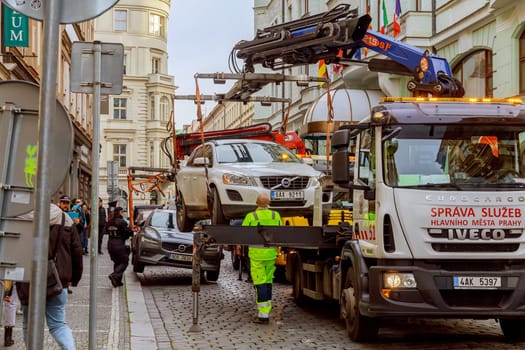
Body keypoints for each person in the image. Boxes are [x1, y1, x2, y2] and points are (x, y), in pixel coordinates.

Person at [17, 203, 83, 350]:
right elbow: (77, 252)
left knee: (29, 325)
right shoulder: (65, 219)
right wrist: (74, 279)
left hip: (28, 280)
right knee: (58, 324)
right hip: (59, 281)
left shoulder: (21, 217)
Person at [241, 193, 282, 324]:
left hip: (256, 255)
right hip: (270, 254)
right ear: (269, 203)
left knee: (260, 283)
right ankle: (266, 310)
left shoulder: (251, 216)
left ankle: (263, 315)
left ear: (257, 203)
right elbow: (280, 231)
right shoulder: (275, 215)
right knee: (268, 281)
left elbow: (243, 233)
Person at [107, 207, 133, 287]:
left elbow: (106, 231)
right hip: (119, 244)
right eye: (122, 212)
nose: (123, 213)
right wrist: (131, 230)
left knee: (117, 262)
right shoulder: (122, 222)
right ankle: (114, 275)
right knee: (124, 261)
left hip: (110, 244)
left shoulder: (110, 221)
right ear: (119, 212)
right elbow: (128, 233)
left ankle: (117, 281)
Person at [3, 280, 18, 347]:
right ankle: (8, 338)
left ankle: (8, 337)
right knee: (10, 304)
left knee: (9, 304)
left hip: (9, 281)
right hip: (11, 280)